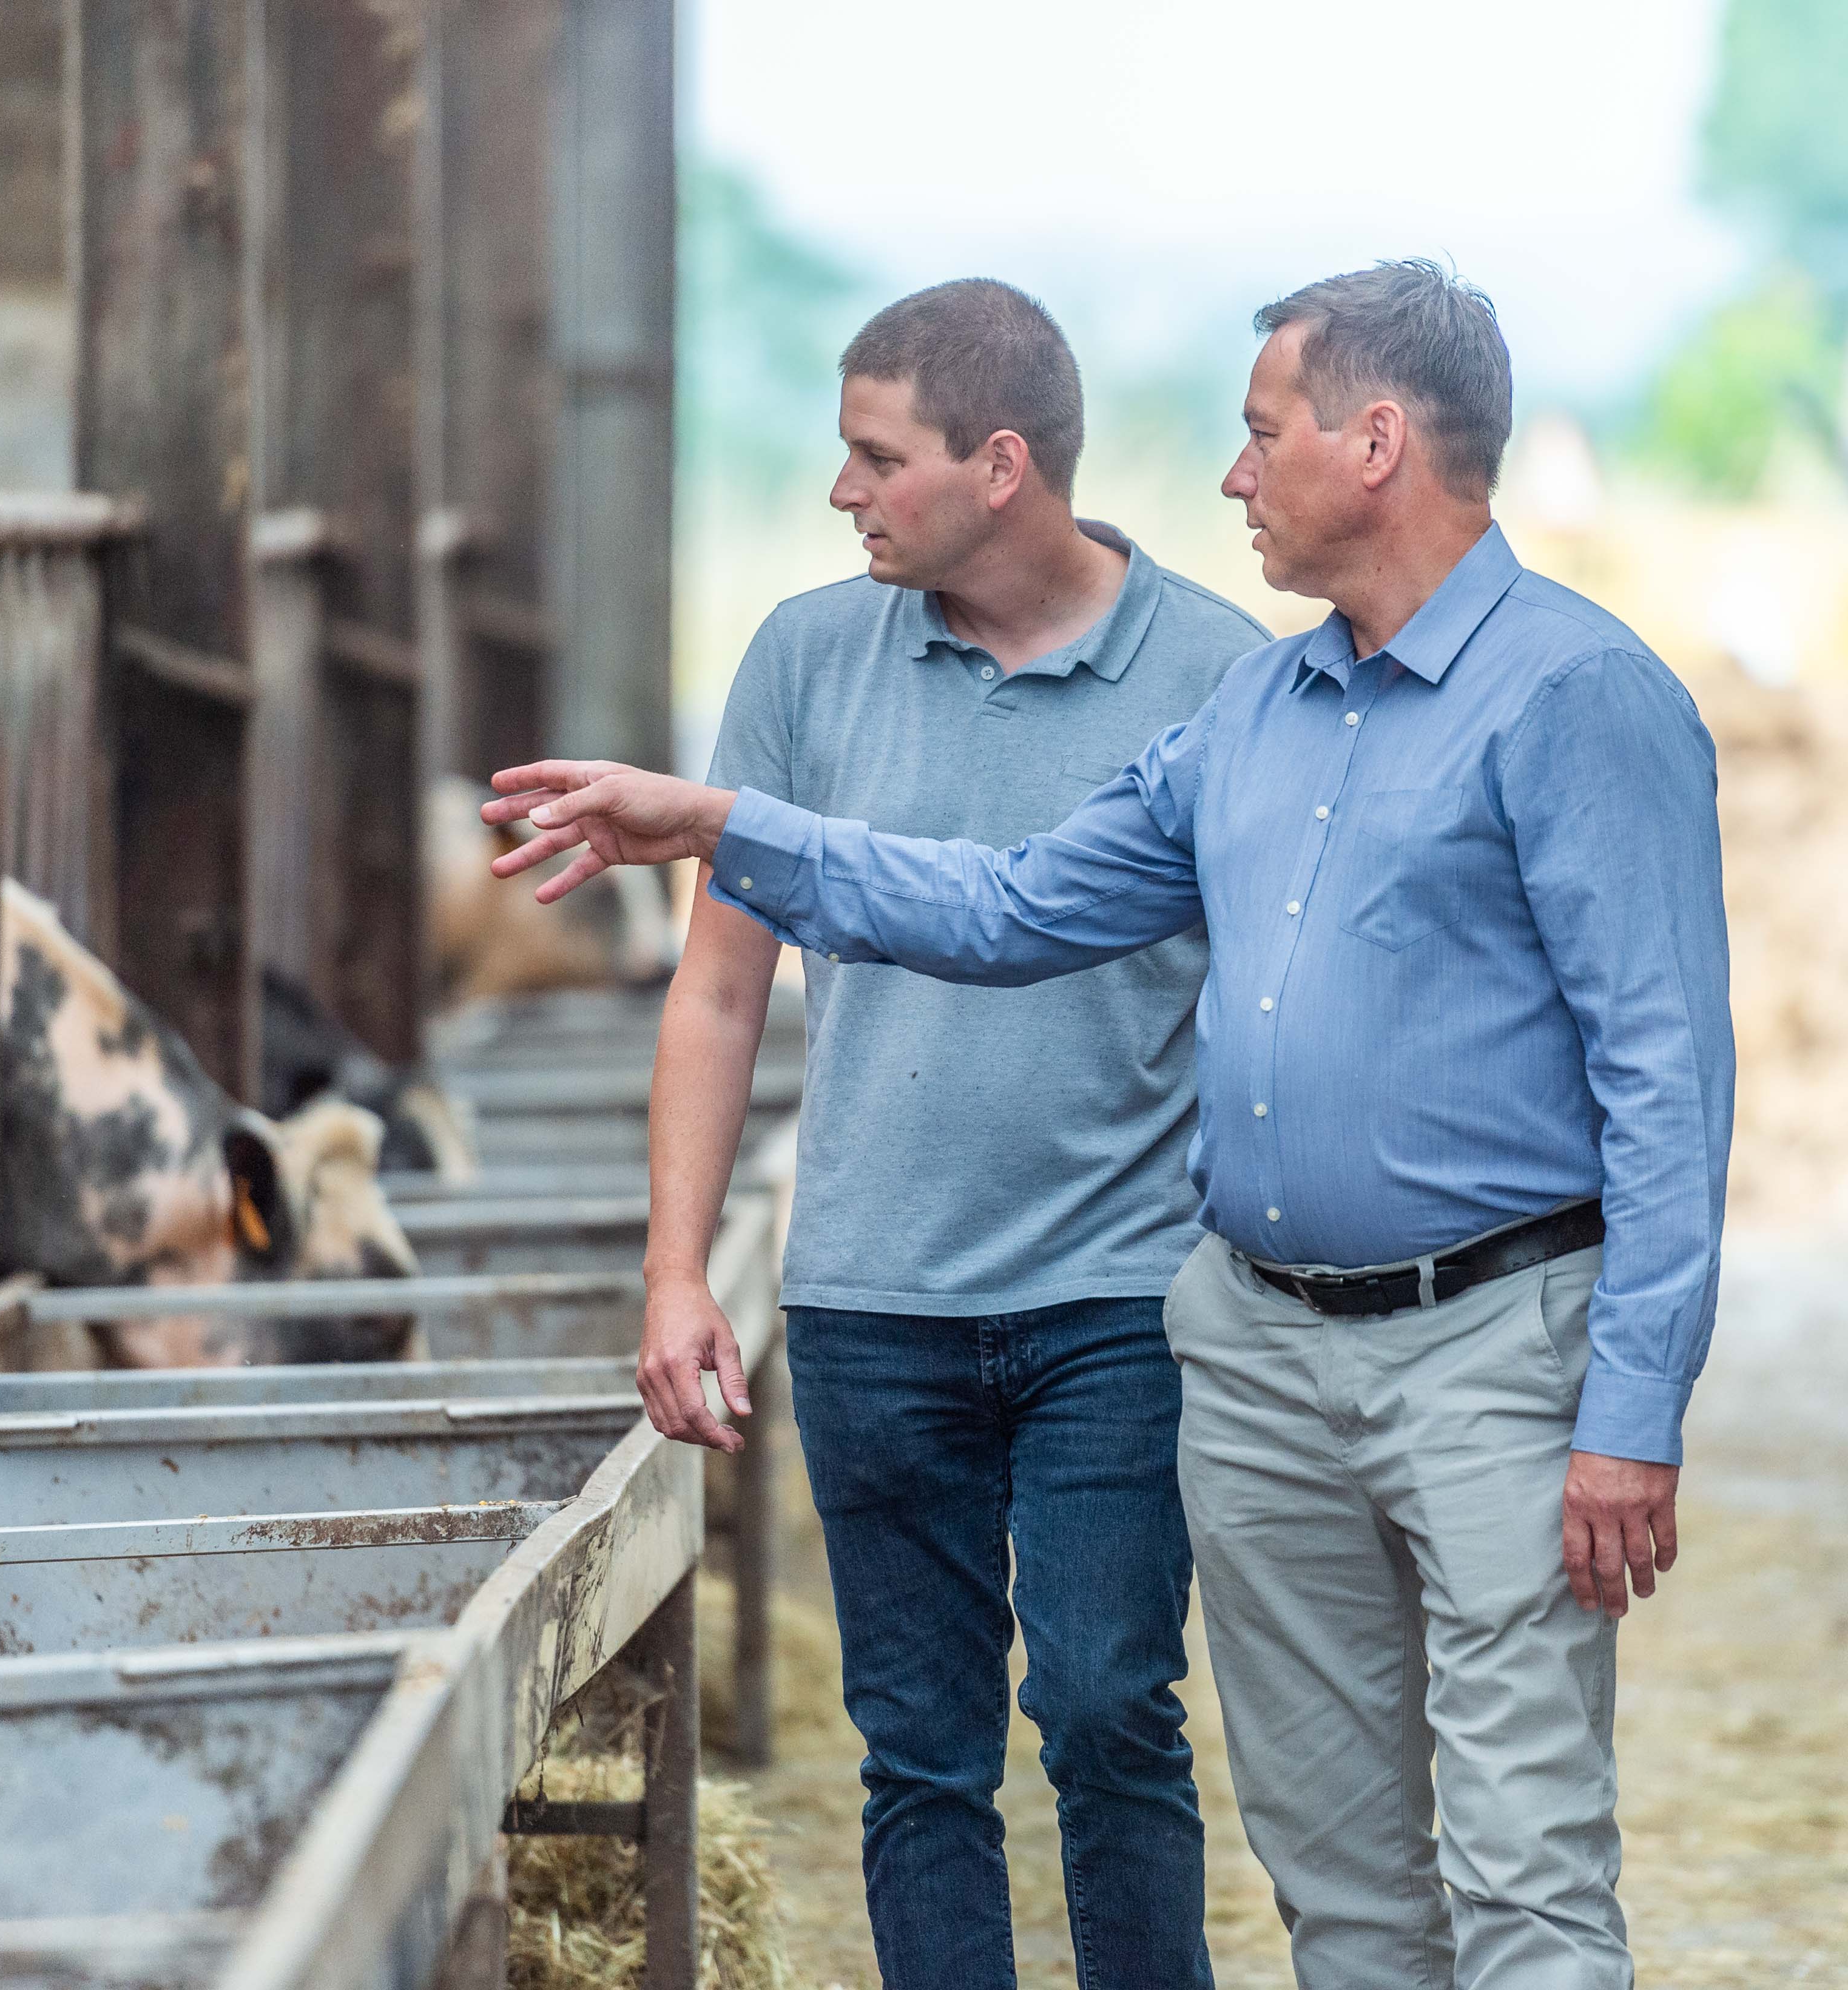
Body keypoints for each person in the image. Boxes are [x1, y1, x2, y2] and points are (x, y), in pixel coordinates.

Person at [486, 259, 1731, 1989]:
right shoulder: (1261, 712)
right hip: (1263, 1357)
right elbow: (1006, 907)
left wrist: (1633, 1407)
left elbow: (1668, 1081)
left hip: (1489, 1352)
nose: (1232, 475)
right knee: (1342, 1879)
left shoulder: (1579, 698)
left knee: (1519, 1868)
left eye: (1261, 432)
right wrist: (720, 824)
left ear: (1375, 446)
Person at [639, 278, 1263, 1988]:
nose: (842, 489)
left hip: (1121, 1298)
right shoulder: (804, 657)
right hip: (869, 1294)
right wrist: (678, 1273)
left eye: (873, 455)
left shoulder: (1224, 676)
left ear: (1000, 466)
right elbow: (717, 993)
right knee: (919, 1757)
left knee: (1108, 1707)